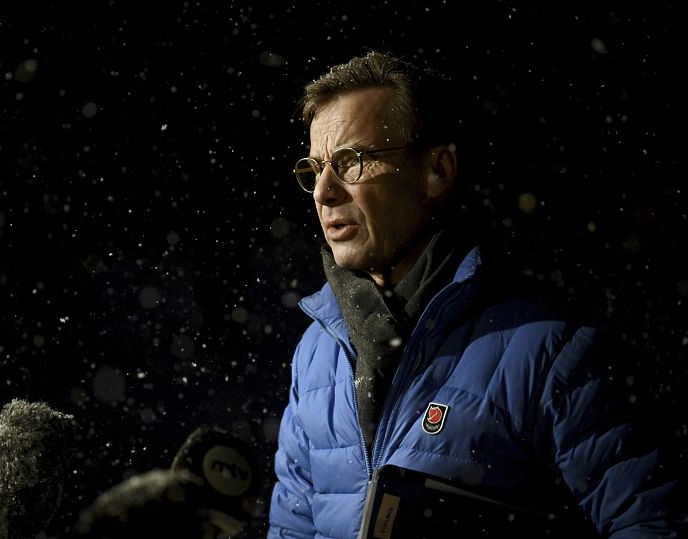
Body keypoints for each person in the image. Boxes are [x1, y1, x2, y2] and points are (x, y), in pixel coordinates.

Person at [267, 50, 685, 538]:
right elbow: (291, 530)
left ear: (438, 170)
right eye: (314, 168)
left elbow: (653, 525)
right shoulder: (317, 355)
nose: (323, 191)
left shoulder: (549, 347)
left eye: (351, 162)